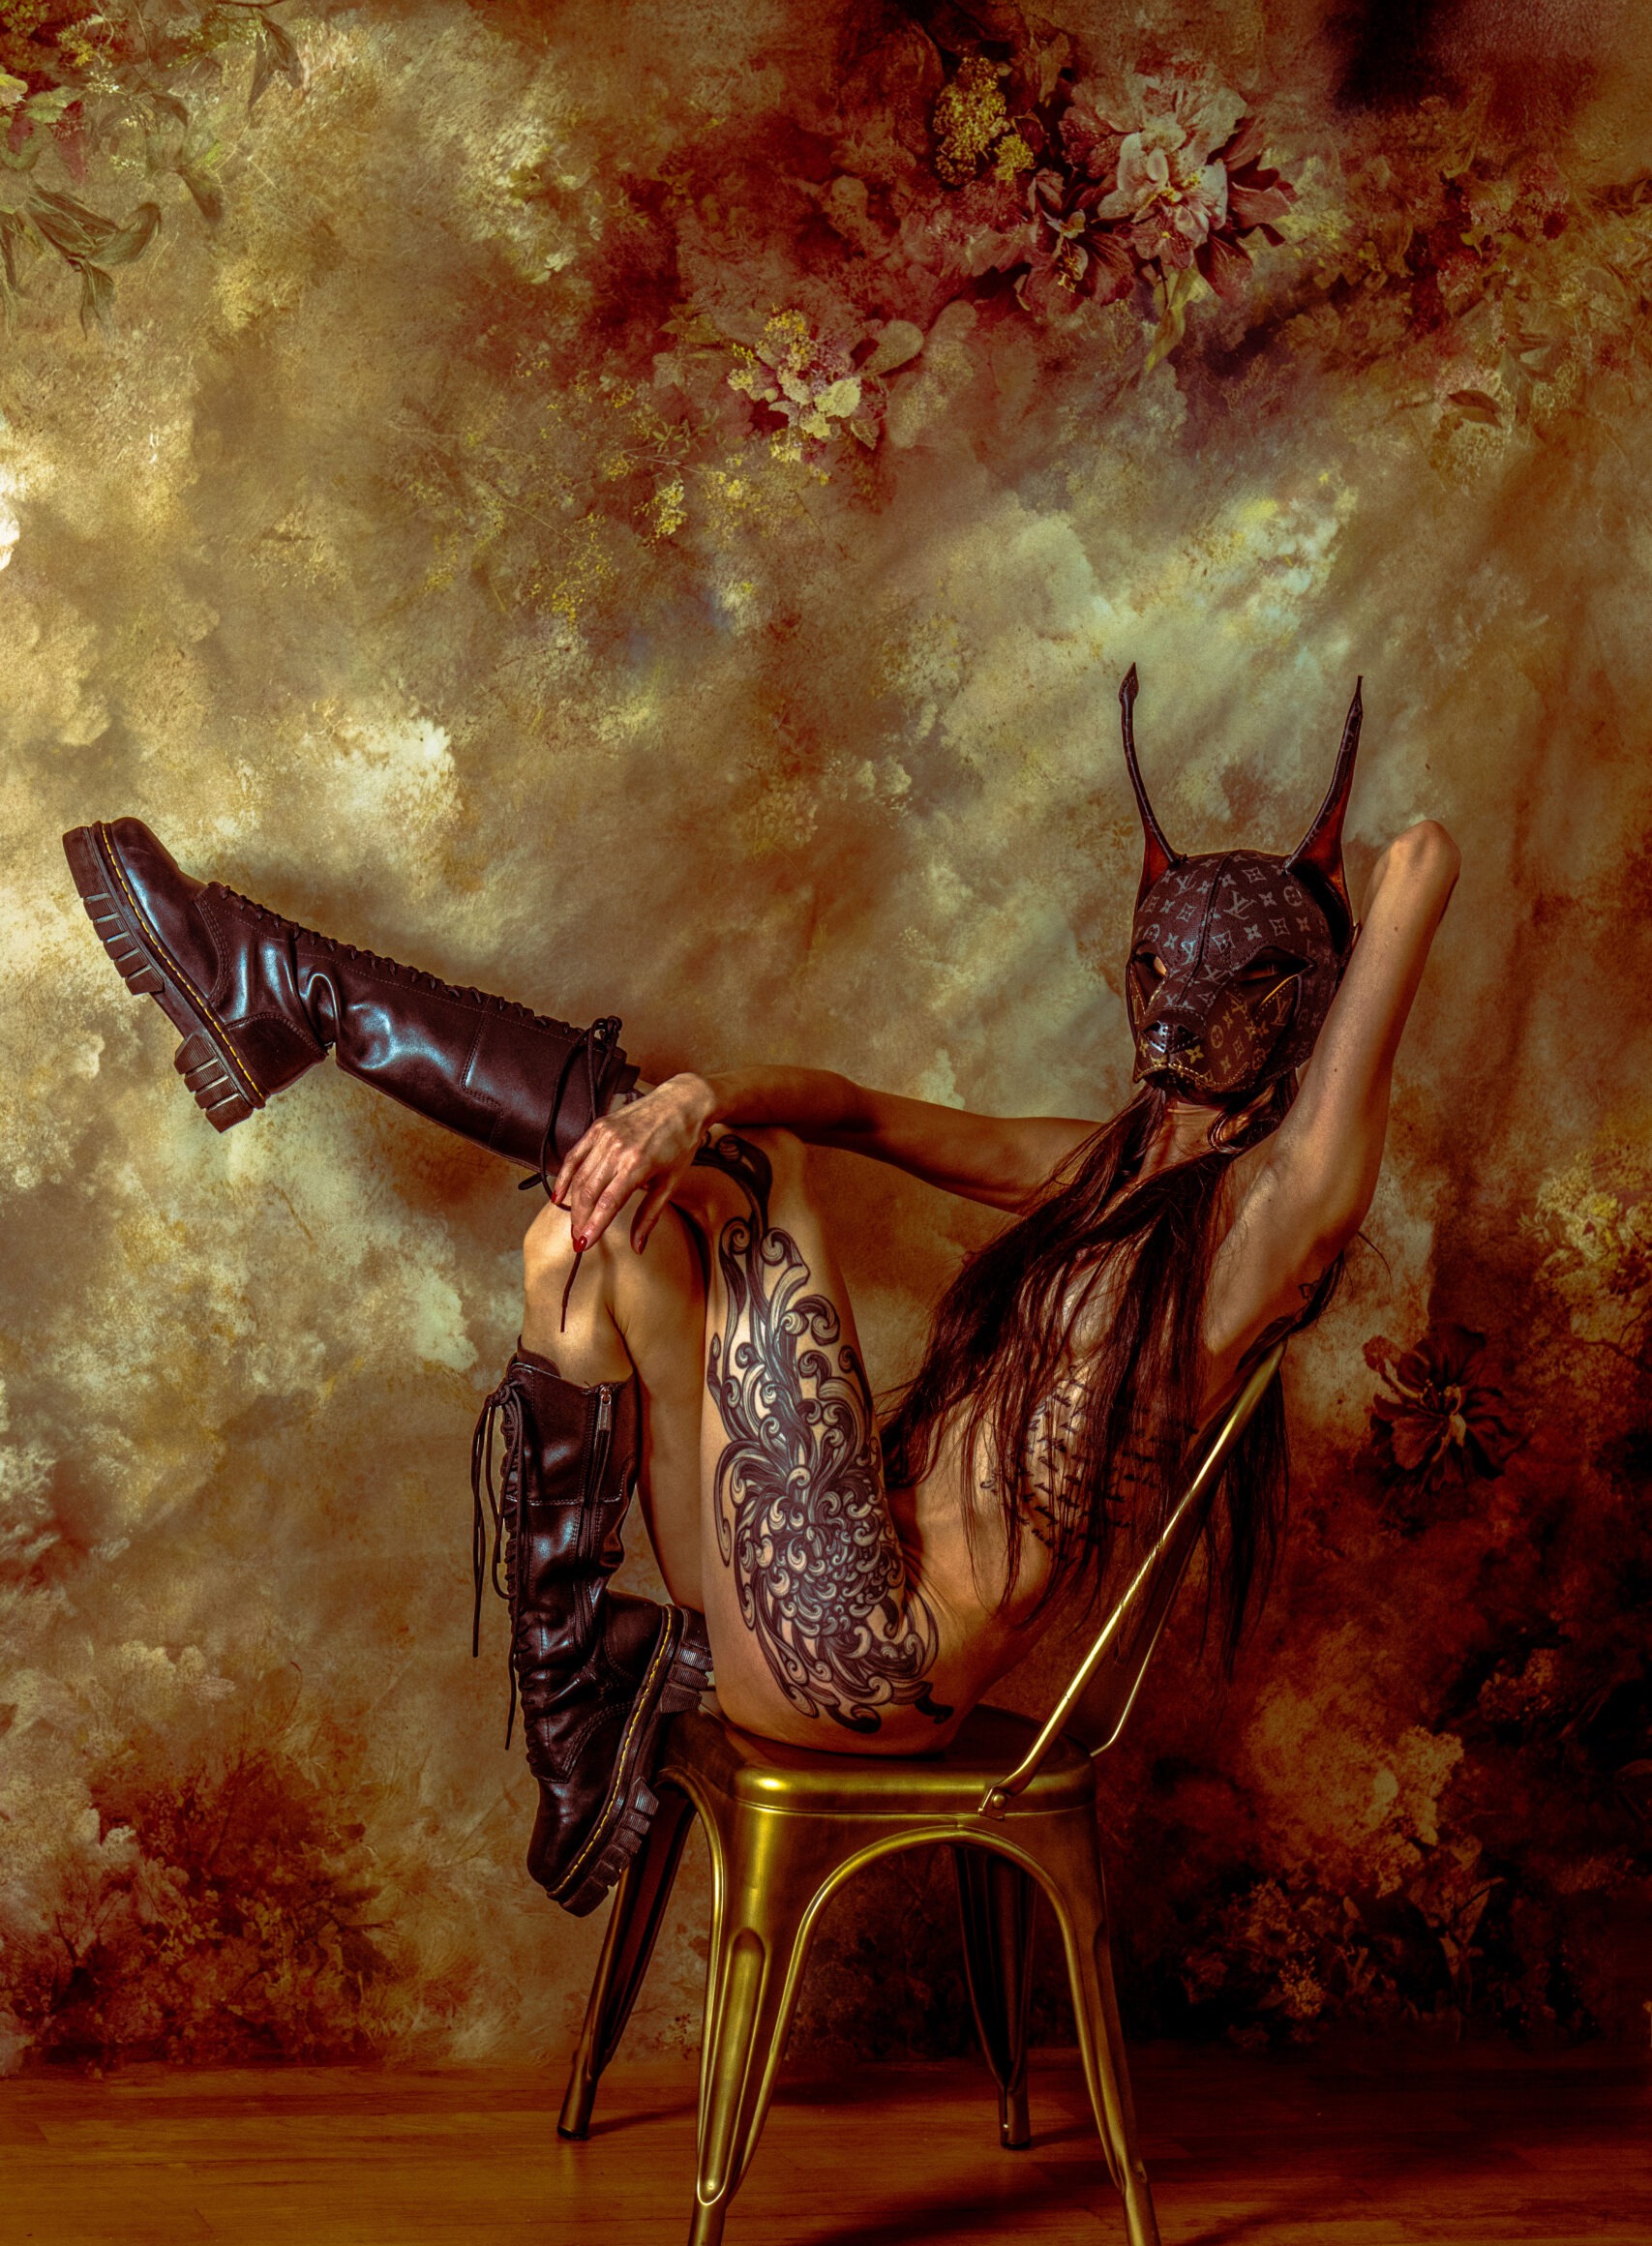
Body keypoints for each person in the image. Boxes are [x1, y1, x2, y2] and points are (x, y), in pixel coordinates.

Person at [63, 670, 1460, 1918]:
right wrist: (688, 1098)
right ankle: (579, 1714)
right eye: (1159, 969)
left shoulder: (1269, 1228)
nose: (1178, 1015)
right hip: (796, 1581)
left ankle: (280, 988)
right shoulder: (1102, 1171)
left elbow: (1423, 862)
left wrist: (1343, 886)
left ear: (1301, 1002)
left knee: (745, 1168)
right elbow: (860, 1109)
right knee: (598, 1241)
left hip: (867, 1659)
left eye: (1239, 981)